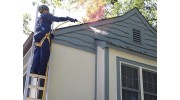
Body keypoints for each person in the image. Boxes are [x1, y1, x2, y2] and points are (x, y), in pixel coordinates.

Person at [30, 5, 78, 76]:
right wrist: (67, 18)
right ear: (44, 10)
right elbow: (57, 19)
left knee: (37, 53)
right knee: (45, 54)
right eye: (47, 10)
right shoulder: (46, 15)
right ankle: (41, 71)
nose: (48, 12)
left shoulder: (39, 19)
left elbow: (43, 27)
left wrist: (50, 35)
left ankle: (34, 69)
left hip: (38, 37)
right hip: (44, 36)